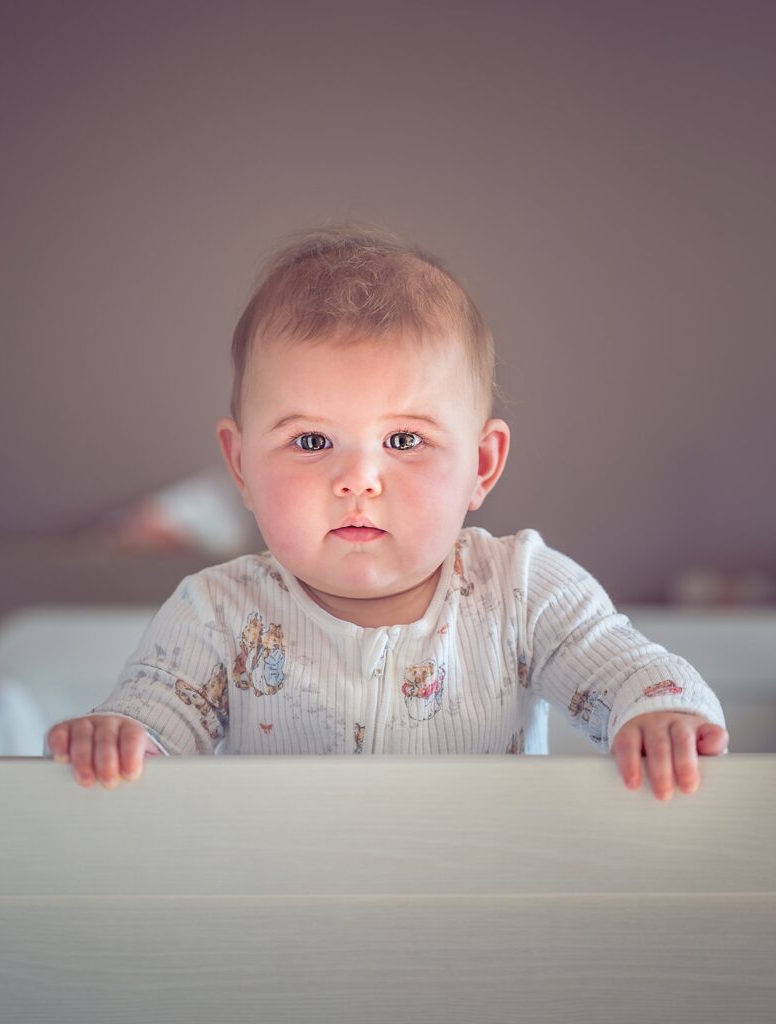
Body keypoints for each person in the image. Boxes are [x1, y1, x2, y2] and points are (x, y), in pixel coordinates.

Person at [46, 224, 729, 800]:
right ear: (241, 465)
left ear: (481, 465)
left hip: (487, 918)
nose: (357, 480)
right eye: (310, 441)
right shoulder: (217, 614)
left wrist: (661, 712)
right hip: (282, 925)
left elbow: (627, 668)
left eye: (404, 440)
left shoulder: (522, 592)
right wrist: (119, 738)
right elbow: (150, 728)